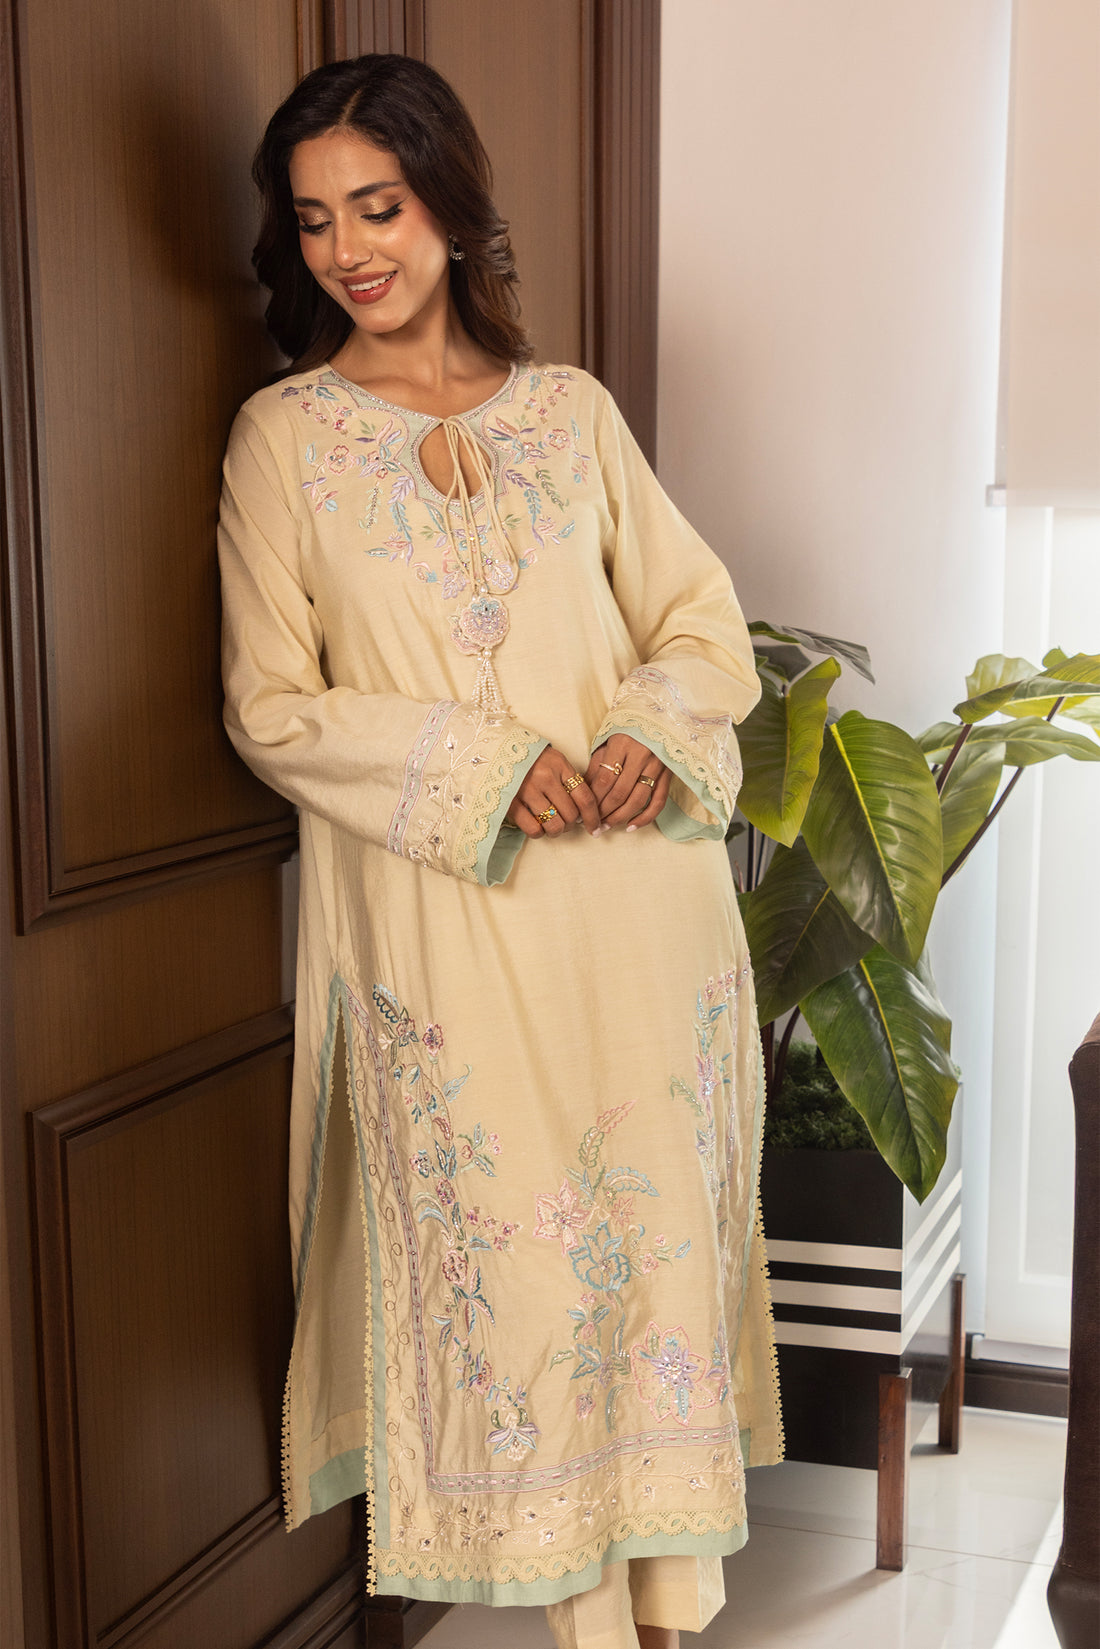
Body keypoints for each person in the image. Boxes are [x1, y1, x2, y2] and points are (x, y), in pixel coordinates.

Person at [218, 53, 782, 1649]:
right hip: (454, 926)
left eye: (379, 207)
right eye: (315, 220)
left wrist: (647, 727)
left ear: (451, 210)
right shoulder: (285, 441)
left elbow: (700, 621)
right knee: (524, 1273)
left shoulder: (571, 416)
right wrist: (486, 762)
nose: (349, 249)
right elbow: (271, 703)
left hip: (638, 913)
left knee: (651, 1255)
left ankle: (664, 1622)